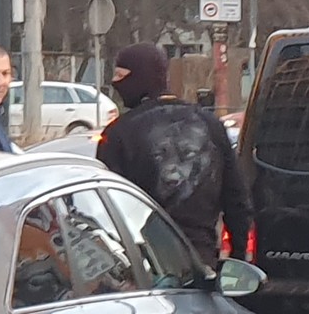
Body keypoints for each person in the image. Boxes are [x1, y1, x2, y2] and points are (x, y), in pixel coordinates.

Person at [97, 42, 252, 270]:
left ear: (141, 76)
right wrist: (237, 259)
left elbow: (105, 208)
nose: (115, 82)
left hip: (143, 267)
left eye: (121, 75)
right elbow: (236, 199)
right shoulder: (210, 126)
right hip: (202, 261)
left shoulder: (118, 134)